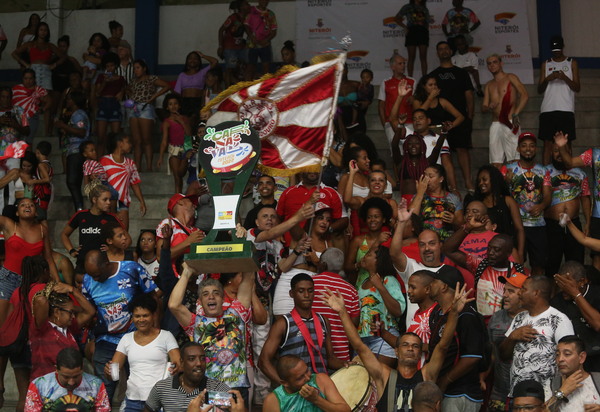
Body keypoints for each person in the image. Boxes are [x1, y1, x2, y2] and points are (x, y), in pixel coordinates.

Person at [322, 272, 472, 411]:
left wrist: (453, 313)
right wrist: (342, 311)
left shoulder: (427, 375)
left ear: (420, 352)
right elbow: (360, 347)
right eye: (405, 345)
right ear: (396, 351)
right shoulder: (384, 375)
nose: (410, 349)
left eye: (415, 346)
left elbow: (442, 347)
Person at [168, 264, 254, 404]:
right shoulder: (196, 323)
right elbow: (173, 305)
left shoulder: (237, 313)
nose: (211, 297)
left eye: (216, 293)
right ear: (200, 302)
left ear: (222, 299)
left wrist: (242, 253)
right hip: (209, 389)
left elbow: (249, 274)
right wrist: (187, 273)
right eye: (205, 294)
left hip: (237, 387)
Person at [82, 249, 159, 401]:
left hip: (135, 338)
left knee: (139, 386)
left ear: (106, 263)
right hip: (105, 340)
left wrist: (155, 333)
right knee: (104, 389)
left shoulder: (131, 269)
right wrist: (91, 339)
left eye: (97, 274)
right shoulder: (87, 279)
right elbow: (90, 312)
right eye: (92, 275)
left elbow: (154, 300)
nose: (95, 279)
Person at [259, 273, 346, 381]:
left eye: (310, 291)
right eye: (301, 291)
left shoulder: (324, 321)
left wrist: (346, 364)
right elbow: (263, 361)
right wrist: (285, 386)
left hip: (321, 387)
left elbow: (330, 359)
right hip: (296, 391)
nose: (306, 295)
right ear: (291, 293)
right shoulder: (283, 324)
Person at [499, 275, 574, 400]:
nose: (520, 293)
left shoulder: (558, 319)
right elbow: (503, 356)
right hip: (518, 396)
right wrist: (512, 337)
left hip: (546, 398)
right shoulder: (519, 318)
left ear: (536, 293)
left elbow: (570, 359)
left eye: (523, 289)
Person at [105, 294, 181, 412]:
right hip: (132, 400)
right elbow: (114, 370)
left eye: (145, 315)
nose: (141, 320)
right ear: (132, 318)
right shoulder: (126, 338)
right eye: (137, 316)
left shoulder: (166, 336)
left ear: (153, 315)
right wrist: (108, 371)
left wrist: (176, 368)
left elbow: (178, 363)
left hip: (158, 401)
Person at [428, 266, 487, 410]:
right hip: (443, 393)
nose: (430, 284)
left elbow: (472, 356)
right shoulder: (437, 313)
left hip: (461, 394)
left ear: (444, 287)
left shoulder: (466, 316)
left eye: (434, 281)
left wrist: (445, 380)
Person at [443, 217, 526, 319]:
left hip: (506, 327)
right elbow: (448, 250)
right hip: (482, 325)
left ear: (508, 253)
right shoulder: (480, 265)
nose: (491, 253)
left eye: (496, 250)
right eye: (489, 248)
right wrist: (467, 227)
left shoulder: (518, 272)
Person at [0, 198, 58, 324]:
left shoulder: (42, 229)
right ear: (17, 212)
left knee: (26, 322)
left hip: (32, 280)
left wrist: (57, 281)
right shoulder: (9, 224)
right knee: (3, 321)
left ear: (36, 212)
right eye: (23, 205)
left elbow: (48, 257)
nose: (27, 206)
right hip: (8, 279)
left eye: (31, 205)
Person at [502, 132, 552, 276]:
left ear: (536, 149)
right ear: (518, 149)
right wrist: (506, 182)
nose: (528, 149)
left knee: (539, 265)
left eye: (531, 146)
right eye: (524, 146)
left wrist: (541, 206)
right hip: (515, 226)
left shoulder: (544, 171)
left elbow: (548, 196)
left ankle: (536, 293)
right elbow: (499, 194)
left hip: (538, 226)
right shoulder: (508, 169)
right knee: (516, 265)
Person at [429, 41, 475, 192]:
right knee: (443, 154)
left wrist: (469, 117)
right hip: (439, 120)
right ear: (437, 53)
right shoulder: (432, 75)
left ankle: (468, 184)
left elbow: (469, 96)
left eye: (446, 49)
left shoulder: (461, 73)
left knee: (462, 150)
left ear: (450, 51)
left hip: (459, 118)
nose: (443, 51)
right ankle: (446, 186)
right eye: (440, 49)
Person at [144, 342, 243, 412]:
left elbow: (238, 408)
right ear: (182, 363)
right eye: (192, 359)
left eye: (202, 359)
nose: (199, 363)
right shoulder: (162, 387)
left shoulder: (218, 389)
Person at [29, 281, 96, 380]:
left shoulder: (69, 328)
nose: (73, 316)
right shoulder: (41, 329)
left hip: (68, 386)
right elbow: (41, 300)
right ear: (56, 312)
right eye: (71, 312)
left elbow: (90, 312)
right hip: (45, 388)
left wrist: (72, 290)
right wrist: (50, 290)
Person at [554, 132, 600, 272]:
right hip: (599, 216)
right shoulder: (594, 154)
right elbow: (570, 163)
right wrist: (562, 147)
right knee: (597, 259)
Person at [544, 142, 591, 275]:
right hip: (551, 225)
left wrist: (587, 222)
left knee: (576, 264)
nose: (559, 154)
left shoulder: (580, 173)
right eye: (556, 151)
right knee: (551, 264)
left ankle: (575, 294)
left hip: (574, 224)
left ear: (569, 151)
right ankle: (551, 294)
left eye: (563, 150)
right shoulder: (544, 172)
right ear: (551, 153)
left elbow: (585, 198)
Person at [391, 107, 455, 201]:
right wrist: (400, 125)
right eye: (410, 144)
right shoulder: (401, 161)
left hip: (426, 200)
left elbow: (436, 149)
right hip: (407, 201)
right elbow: (394, 145)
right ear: (406, 147)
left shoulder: (427, 163)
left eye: (417, 144)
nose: (413, 146)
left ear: (422, 147)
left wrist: (444, 132)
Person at [62, 183, 124, 275]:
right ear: (94, 200)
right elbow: (64, 234)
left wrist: (112, 248)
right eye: (105, 200)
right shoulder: (81, 215)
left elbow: (126, 240)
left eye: (109, 199)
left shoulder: (111, 218)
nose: (109, 203)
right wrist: (71, 251)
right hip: (82, 265)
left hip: (104, 265)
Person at [468, 164, 526, 262]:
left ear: (494, 179)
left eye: (484, 179)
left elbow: (519, 229)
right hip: (484, 251)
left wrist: (520, 253)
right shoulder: (478, 204)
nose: (481, 183)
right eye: (479, 181)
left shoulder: (507, 201)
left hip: (507, 250)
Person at [487, 271, 527, 412]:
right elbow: (491, 352)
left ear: (523, 294)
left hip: (526, 396)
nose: (504, 295)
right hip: (499, 394)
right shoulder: (496, 318)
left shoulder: (533, 319)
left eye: (511, 291)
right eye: (504, 290)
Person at [311, 248, 360, 363]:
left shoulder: (309, 285)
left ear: (322, 265)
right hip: (341, 358)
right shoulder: (351, 290)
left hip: (312, 354)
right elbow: (353, 326)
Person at [25, 347, 111, 412]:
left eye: (76, 376)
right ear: (56, 370)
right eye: (66, 377)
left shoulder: (96, 384)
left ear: (82, 369)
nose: (71, 382)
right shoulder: (39, 385)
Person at [538, 36, 580, 165]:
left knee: (567, 143)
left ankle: (569, 173)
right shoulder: (546, 64)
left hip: (566, 108)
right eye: (554, 49)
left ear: (563, 47)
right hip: (548, 108)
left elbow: (577, 87)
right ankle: (546, 174)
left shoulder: (571, 62)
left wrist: (564, 78)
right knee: (547, 143)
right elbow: (540, 89)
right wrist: (548, 79)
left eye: (558, 49)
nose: (556, 52)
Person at [552, 261, 600, 372]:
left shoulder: (597, 294)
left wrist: (575, 294)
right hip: (572, 362)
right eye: (560, 283)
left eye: (567, 284)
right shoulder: (557, 302)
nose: (563, 288)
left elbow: (598, 324)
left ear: (582, 281)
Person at [483, 54, 529, 168]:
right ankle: (498, 185)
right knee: (495, 162)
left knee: (514, 159)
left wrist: (516, 113)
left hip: (509, 121)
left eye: (494, 62)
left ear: (501, 63)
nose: (492, 65)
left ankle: (515, 185)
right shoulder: (489, 85)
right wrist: (489, 107)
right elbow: (483, 107)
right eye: (489, 63)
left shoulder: (510, 77)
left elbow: (524, 95)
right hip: (495, 123)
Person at [262, 355, 350, 412]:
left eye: (307, 371)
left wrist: (316, 400)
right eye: (300, 378)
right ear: (285, 383)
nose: (308, 378)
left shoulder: (321, 380)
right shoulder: (273, 400)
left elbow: (345, 410)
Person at [126, 59, 171, 171]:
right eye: (134, 68)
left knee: (146, 139)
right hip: (134, 108)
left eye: (138, 68)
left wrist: (153, 97)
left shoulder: (152, 78)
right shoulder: (133, 81)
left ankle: (149, 167)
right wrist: (131, 97)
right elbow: (127, 89)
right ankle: (137, 168)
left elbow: (167, 86)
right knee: (136, 141)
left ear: (144, 68)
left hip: (146, 107)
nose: (135, 70)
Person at [101, 133, 147, 230]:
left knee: (123, 233)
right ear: (120, 143)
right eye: (128, 142)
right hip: (107, 202)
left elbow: (134, 183)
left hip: (123, 202)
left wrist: (142, 201)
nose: (130, 145)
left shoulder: (130, 163)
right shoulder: (104, 160)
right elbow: (98, 182)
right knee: (108, 232)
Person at [55, 90, 90, 211]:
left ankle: (79, 208)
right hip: (73, 150)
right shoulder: (75, 114)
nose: (67, 101)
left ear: (74, 101)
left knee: (72, 181)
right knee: (74, 181)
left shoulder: (78, 114)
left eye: (69, 99)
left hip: (77, 150)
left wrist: (63, 126)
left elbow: (81, 132)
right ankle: (79, 207)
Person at [547, 335, 600, 411]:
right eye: (557, 355)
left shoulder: (597, 380)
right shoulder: (552, 384)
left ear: (581, 357)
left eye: (567, 354)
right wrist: (562, 392)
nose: (560, 359)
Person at [412, 164, 463, 241]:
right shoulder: (418, 196)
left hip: (447, 242)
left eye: (430, 176)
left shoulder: (453, 199)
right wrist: (420, 193)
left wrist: (454, 220)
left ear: (441, 179)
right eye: (425, 176)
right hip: (425, 241)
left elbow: (462, 226)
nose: (426, 179)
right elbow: (410, 219)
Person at [378, 53, 415, 146]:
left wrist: (413, 99)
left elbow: (417, 103)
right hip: (391, 123)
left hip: (409, 122)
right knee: (395, 153)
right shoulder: (386, 82)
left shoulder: (412, 81)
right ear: (392, 67)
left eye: (404, 63)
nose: (403, 66)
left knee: (410, 149)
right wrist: (385, 124)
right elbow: (381, 105)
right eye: (400, 64)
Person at [157, 94, 190, 193]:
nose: (173, 106)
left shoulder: (185, 119)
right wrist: (161, 156)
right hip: (173, 149)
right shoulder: (166, 122)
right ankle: (178, 199)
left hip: (185, 148)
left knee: (180, 173)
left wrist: (181, 122)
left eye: (175, 103)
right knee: (177, 177)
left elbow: (189, 134)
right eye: (170, 104)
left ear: (179, 105)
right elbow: (164, 140)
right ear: (167, 107)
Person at [95, 52, 126, 156]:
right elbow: (97, 92)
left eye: (112, 65)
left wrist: (122, 92)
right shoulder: (101, 77)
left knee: (115, 137)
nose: (109, 68)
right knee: (100, 137)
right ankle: (99, 162)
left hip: (115, 105)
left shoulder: (121, 79)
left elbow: (126, 90)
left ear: (116, 66)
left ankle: (115, 160)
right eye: (107, 66)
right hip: (103, 104)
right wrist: (105, 82)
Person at [174, 51, 218, 122]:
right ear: (187, 61)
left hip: (198, 101)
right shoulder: (182, 75)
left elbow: (215, 61)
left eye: (195, 58)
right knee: (186, 121)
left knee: (195, 120)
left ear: (199, 61)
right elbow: (177, 92)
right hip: (185, 102)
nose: (193, 60)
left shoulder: (202, 72)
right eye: (190, 58)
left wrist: (203, 55)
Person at [11, 69, 50, 145]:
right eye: (26, 78)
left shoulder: (38, 90)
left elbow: (50, 101)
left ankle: (28, 156)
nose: (28, 81)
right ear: (22, 79)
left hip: (31, 118)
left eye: (30, 78)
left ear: (34, 79)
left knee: (27, 142)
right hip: (16, 118)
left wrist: (43, 109)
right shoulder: (16, 89)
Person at [396, 0, 432, 77]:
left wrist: (428, 22)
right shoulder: (407, 7)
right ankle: (410, 78)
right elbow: (397, 18)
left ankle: (424, 78)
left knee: (423, 56)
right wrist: (405, 27)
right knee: (411, 56)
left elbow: (428, 20)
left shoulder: (424, 8)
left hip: (423, 31)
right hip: (412, 31)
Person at [218, 0, 250, 86]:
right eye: (246, 4)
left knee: (245, 67)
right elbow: (221, 30)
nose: (249, 5)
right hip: (230, 47)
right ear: (241, 7)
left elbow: (248, 32)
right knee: (230, 69)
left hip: (240, 46)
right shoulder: (232, 18)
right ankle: (228, 90)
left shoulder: (247, 18)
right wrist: (220, 46)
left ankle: (244, 88)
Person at [245, 0, 278, 79]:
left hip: (265, 45)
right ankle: (247, 87)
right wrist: (251, 37)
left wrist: (266, 40)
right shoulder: (251, 11)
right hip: (253, 44)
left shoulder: (271, 14)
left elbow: (274, 31)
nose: (264, 1)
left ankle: (264, 88)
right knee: (250, 68)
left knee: (266, 68)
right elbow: (246, 25)